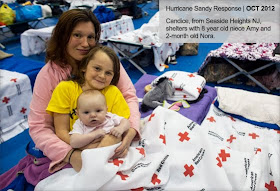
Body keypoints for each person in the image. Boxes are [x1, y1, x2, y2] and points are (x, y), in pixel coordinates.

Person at [28, 9, 141, 174]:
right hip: (71, 145)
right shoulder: (49, 75)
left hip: (113, 137)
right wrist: (71, 154)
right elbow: (39, 126)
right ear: (63, 36)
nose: (85, 44)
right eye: (77, 35)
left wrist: (130, 131)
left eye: (90, 37)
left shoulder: (105, 60)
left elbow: (129, 96)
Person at [46, 45, 130, 152]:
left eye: (108, 73)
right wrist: (87, 149)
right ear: (84, 67)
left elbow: (123, 126)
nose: (102, 76)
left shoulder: (113, 92)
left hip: (108, 146)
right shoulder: (65, 89)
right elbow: (62, 131)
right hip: (77, 147)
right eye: (97, 68)